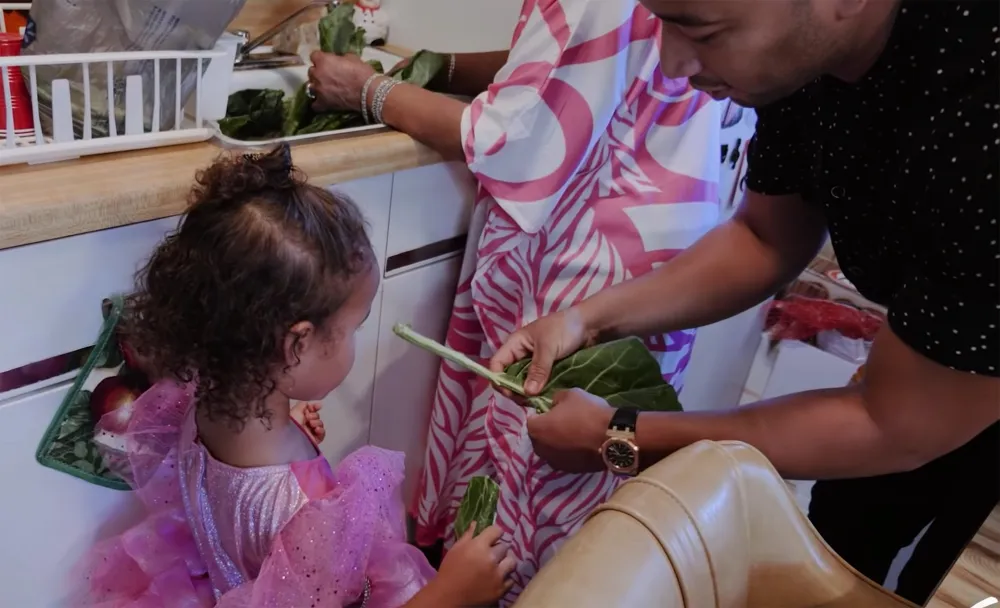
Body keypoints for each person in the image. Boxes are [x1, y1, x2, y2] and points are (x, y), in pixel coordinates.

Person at [490, 1, 1000, 605]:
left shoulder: (980, 116)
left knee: (874, 571)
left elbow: (893, 424)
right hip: (932, 366)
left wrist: (619, 435)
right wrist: (586, 317)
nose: (672, 63)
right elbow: (766, 237)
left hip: (968, 387)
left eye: (701, 30)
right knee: (839, 522)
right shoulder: (800, 61)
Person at [305, 0, 722, 598]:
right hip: (649, 261)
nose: (681, 58)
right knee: (575, 489)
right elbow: (567, 63)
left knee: (535, 470)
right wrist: (441, 69)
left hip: (580, 257)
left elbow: (513, 140)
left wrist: (366, 90)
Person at [75, 145, 515, 607]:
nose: (354, 342)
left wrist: (290, 429)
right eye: (353, 328)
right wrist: (452, 593)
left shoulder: (201, 401)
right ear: (296, 345)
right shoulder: (307, 512)